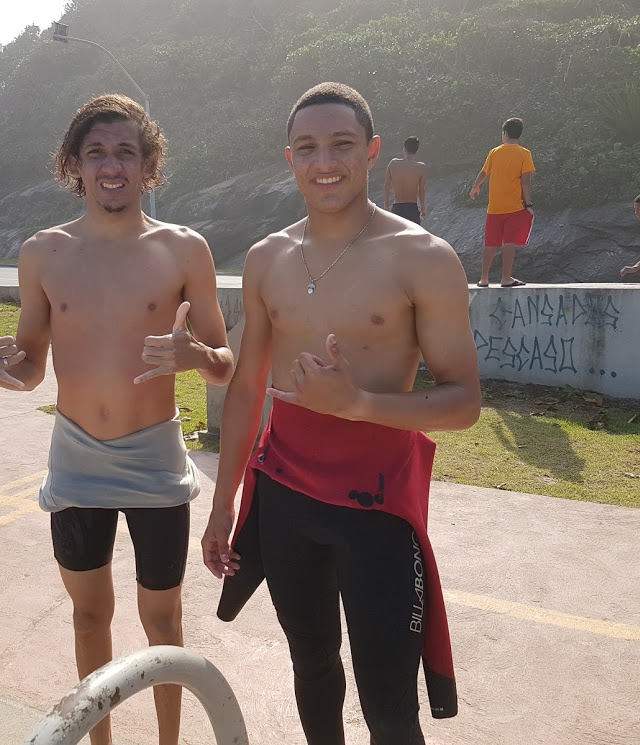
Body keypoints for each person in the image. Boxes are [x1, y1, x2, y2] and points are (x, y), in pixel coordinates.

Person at [201, 82, 481, 745]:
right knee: (312, 664)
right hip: (286, 496)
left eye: (342, 145)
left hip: (377, 506)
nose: (324, 162)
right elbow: (247, 387)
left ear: (372, 151)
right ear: (289, 159)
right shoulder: (267, 258)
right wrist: (222, 504)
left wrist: (357, 403)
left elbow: (464, 401)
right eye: (307, 148)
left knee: (389, 703)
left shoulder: (423, 258)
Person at [0, 94, 233, 745]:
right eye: (96, 153)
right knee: (89, 618)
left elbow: (225, 365)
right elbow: (31, 367)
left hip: (155, 458)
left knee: (163, 623)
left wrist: (195, 355)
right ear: (75, 165)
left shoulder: (184, 249)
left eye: (125, 152)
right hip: (77, 457)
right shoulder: (44, 252)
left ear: (148, 165)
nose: (111, 165)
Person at [469, 117, 535, 287]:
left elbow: (484, 172)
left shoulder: (494, 152)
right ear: (519, 134)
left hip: (494, 207)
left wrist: (476, 187)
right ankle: (506, 278)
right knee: (509, 242)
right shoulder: (524, 153)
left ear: (504, 133)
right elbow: (525, 182)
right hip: (514, 206)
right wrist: (528, 204)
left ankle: (484, 278)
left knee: (490, 242)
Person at [384, 136, 427, 223]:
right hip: (412, 209)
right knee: (413, 232)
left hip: (397, 208)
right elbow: (421, 190)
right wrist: (423, 208)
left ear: (404, 149)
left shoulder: (393, 163)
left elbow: (387, 186)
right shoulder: (421, 167)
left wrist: (386, 206)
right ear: (417, 150)